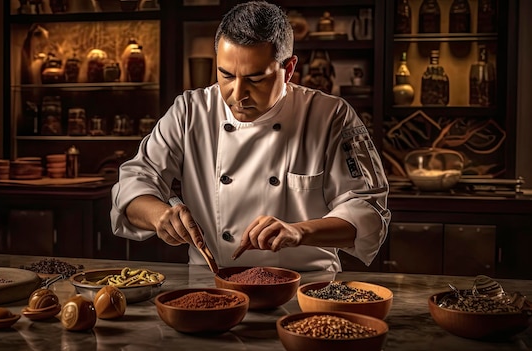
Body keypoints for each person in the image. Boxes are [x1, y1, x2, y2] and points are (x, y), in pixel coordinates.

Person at [111, 1, 390, 273]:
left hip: (307, 287)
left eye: (256, 79)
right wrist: (161, 217)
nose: (238, 94)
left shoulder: (330, 116)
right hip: (211, 285)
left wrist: (299, 231)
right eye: (226, 75)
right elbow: (133, 184)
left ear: (289, 69)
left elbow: (369, 212)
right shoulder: (189, 112)